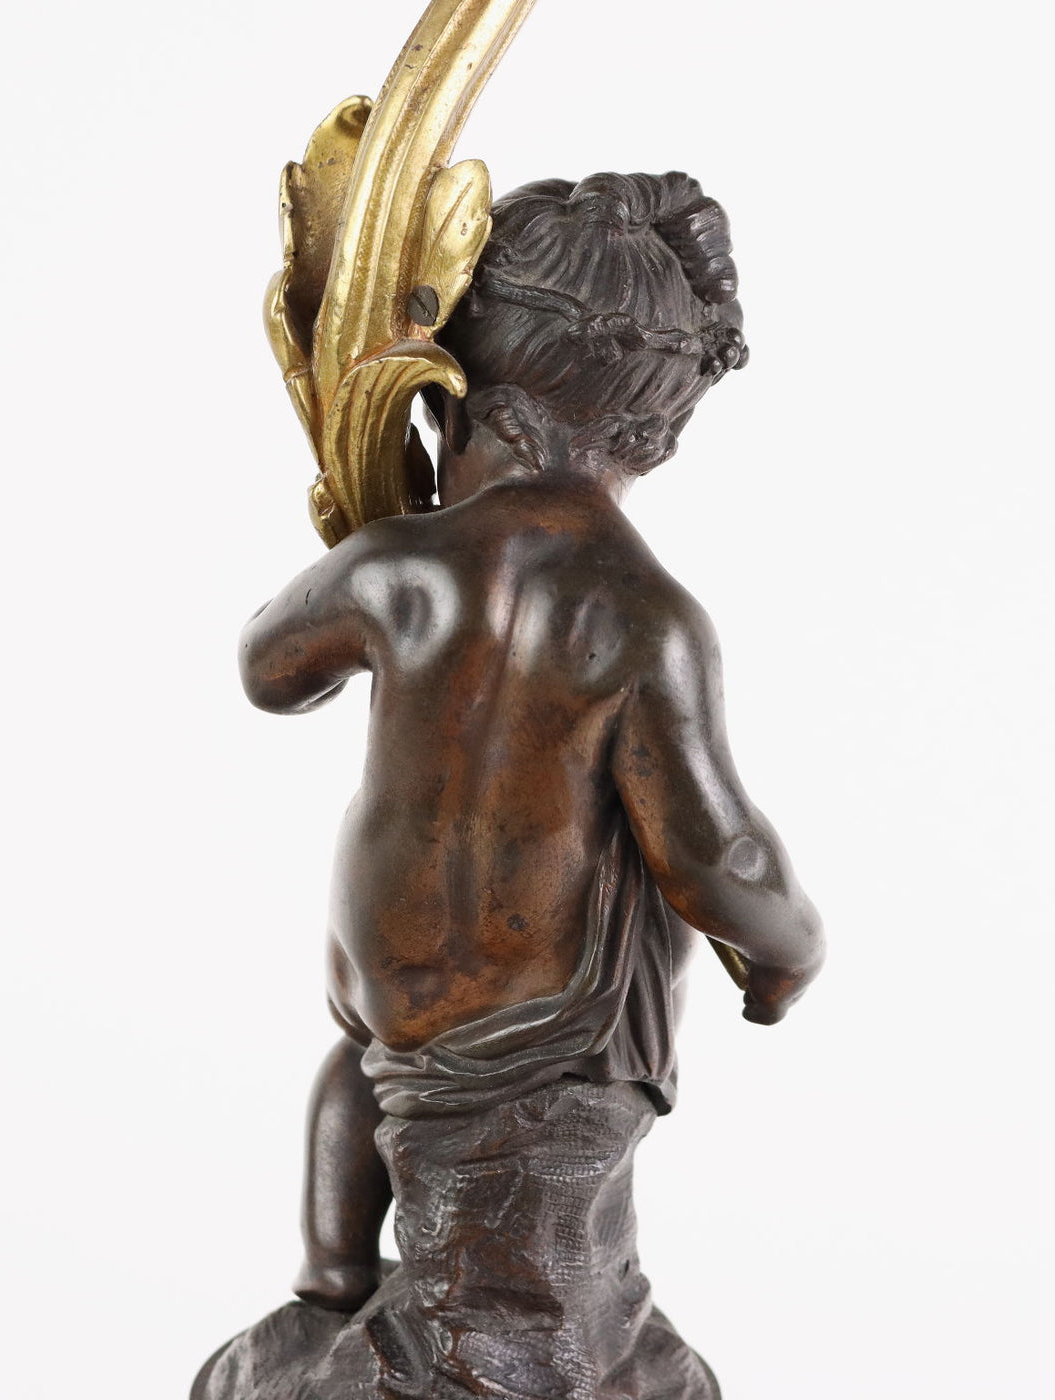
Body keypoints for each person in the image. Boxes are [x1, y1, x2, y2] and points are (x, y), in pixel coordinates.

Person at [237, 172, 824, 1343]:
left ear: (463, 400)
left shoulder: (394, 565)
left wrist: (370, 541)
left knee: (363, 1065)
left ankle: (332, 1274)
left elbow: (270, 668)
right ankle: (481, 1340)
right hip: (537, 1012)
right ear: (656, 433)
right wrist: (785, 948)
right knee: (536, 1252)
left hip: (384, 960)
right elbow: (714, 851)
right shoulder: (640, 614)